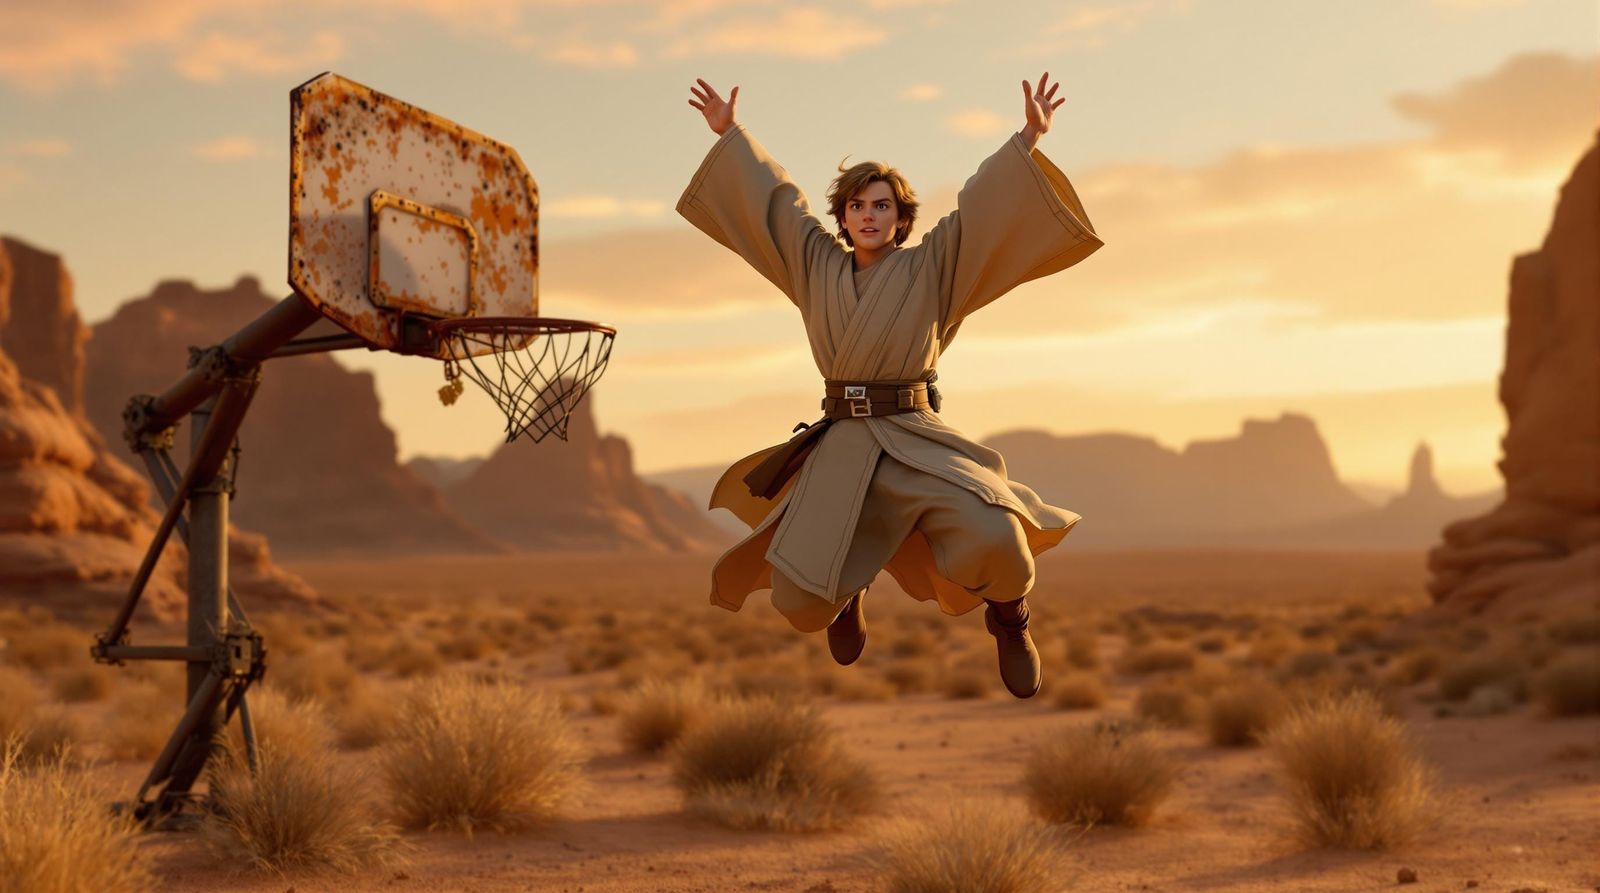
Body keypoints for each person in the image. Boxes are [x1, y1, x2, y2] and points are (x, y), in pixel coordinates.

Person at [679, 73, 1102, 699]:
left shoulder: (932, 265)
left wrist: (1029, 137)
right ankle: (846, 592)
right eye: (857, 206)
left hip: (914, 438)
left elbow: (980, 209)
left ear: (901, 219)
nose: (868, 215)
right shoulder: (814, 263)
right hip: (842, 446)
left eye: (882, 205)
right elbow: (778, 203)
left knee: (999, 538)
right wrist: (732, 133)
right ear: (843, 218)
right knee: (798, 597)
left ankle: (1010, 620)